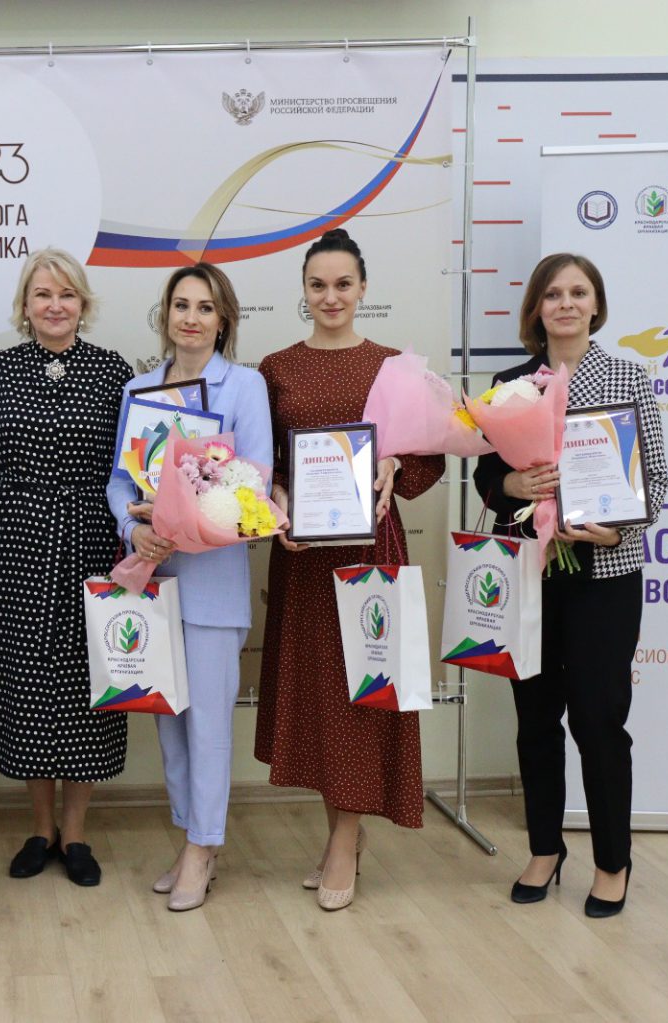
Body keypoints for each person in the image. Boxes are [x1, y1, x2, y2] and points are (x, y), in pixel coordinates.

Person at [252, 228, 444, 911]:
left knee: (366, 688)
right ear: (303, 291)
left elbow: (428, 458)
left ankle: (344, 838)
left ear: (363, 288)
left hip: (371, 551)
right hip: (304, 557)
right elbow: (264, 461)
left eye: (342, 284)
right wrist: (277, 495)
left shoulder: (393, 366)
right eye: (317, 285)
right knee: (320, 695)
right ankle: (343, 831)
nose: (330, 296)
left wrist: (395, 464)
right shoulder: (275, 367)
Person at [474, 253, 667, 918]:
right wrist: (512, 483)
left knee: (597, 719)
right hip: (532, 573)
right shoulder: (509, 385)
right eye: (552, 294)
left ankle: (613, 860)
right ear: (536, 308)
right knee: (534, 718)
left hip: (604, 575)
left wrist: (614, 531)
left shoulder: (628, 378)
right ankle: (544, 849)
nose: (565, 304)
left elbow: (656, 481)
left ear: (595, 305)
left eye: (577, 292)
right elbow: (487, 479)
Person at [105, 263, 272, 909]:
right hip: (153, 578)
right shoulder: (139, 388)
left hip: (212, 585)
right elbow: (121, 481)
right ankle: (191, 838)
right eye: (181, 305)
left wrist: (189, 517)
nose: (192, 318)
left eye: (205, 307)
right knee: (170, 726)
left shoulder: (245, 385)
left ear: (223, 320)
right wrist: (134, 526)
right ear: (166, 314)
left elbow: (254, 481)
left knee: (207, 728)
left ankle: (204, 847)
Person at [0, 248, 133, 887]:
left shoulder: (113, 370)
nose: (55, 305)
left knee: (85, 684)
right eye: (42, 294)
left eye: (67, 294)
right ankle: (40, 828)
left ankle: (75, 833)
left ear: (84, 303)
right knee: (26, 683)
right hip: (16, 543)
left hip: (91, 540)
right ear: (25, 304)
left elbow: (132, 465)